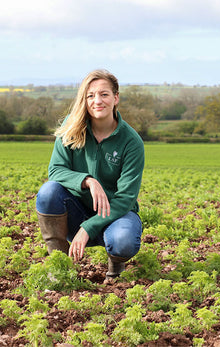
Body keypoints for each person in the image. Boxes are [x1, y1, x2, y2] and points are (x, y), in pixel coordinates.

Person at [35, 69, 145, 279]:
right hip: (75, 212)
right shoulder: (71, 127)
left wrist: (87, 228)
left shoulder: (131, 142)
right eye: (91, 95)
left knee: (123, 241)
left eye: (104, 94)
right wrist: (87, 180)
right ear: (84, 100)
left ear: (116, 98)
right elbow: (55, 170)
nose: (98, 101)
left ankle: (115, 267)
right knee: (48, 191)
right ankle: (59, 268)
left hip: (116, 215)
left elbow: (125, 198)